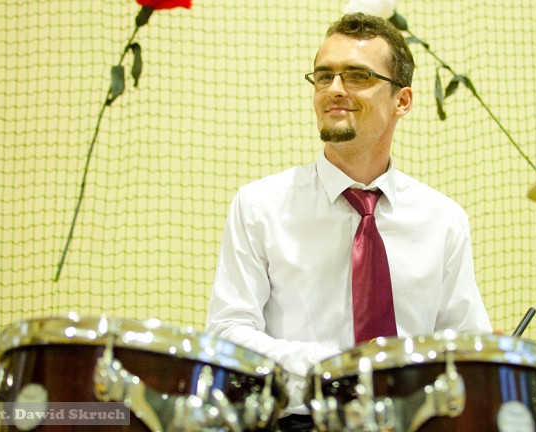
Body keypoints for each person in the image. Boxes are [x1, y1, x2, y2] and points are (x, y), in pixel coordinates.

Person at [205, 12, 492, 430]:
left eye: (358, 76)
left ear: (402, 101)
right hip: (300, 422)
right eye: (324, 76)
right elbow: (228, 333)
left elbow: (466, 346)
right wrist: (336, 370)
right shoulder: (258, 206)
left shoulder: (444, 220)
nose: (335, 90)